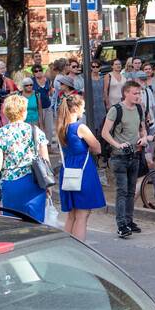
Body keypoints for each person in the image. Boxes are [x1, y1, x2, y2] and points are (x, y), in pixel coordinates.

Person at [0, 94, 49, 221]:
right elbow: (45, 160)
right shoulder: (36, 131)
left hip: (12, 183)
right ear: (24, 111)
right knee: (36, 224)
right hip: (35, 182)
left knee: (13, 224)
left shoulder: (0, 133)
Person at [102, 80, 151, 239]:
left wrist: (143, 138)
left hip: (135, 155)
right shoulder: (116, 110)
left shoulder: (139, 108)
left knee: (130, 191)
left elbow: (142, 129)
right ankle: (121, 224)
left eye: (139, 93)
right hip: (119, 157)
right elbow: (105, 133)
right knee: (122, 191)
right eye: (135, 93)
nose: (138, 96)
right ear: (126, 93)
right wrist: (118, 144)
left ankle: (129, 221)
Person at [55, 94, 105, 240]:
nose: (83, 111)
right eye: (82, 107)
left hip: (68, 169)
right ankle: (78, 248)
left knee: (72, 214)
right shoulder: (80, 127)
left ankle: (67, 246)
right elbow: (98, 148)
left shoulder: (61, 127)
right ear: (76, 108)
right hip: (83, 170)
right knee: (83, 213)